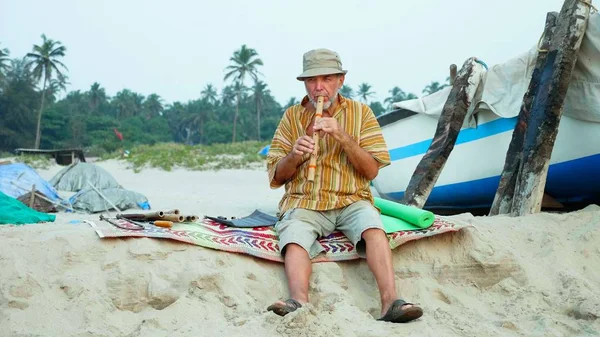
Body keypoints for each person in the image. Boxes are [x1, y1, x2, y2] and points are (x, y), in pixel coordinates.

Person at [265, 48, 423, 323]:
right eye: (311, 81)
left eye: (326, 79)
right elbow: (277, 178)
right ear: (304, 83)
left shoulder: (361, 113)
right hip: (305, 200)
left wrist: (341, 135)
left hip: (352, 198)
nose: (318, 87)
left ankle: (390, 302)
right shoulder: (291, 117)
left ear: (341, 80)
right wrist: (295, 155)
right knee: (294, 237)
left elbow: (371, 170)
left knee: (373, 228)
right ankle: (298, 301)